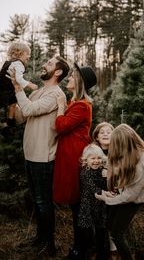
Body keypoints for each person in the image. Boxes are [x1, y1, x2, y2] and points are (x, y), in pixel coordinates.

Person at [8, 55, 70, 257]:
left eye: (50, 64)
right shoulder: (40, 92)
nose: (44, 64)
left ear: (58, 72)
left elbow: (28, 109)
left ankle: (49, 245)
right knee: (37, 200)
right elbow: (21, 117)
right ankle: (40, 238)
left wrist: (19, 89)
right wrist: (11, 103)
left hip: (44, 157)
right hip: (31, 154)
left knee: (44, 202)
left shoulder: (55, 95)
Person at [53, 63, 97, 259]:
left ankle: (80, 248)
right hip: (69, 156)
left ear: (80, 82)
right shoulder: (75, 103)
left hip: (75, 158)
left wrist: (60, 109)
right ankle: (85, 243)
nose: (69, 78)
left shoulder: (81, 105)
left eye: (72, 76)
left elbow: (61, 126)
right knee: (76, 206)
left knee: (78, 206)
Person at [95, 123, 144, 260]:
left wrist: (107, 199)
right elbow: (125, 172)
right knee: (110, 224)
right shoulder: (130, 152)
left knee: (117, 234)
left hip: (133, 201)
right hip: (126, 194)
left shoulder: (143, 162)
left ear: (126, 142)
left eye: (117, 144)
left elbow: (129, 196)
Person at [0, 41, 38, 135]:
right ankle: (5, 126)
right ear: (20, 53)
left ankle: (10, 121)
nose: (29, 56)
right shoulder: (19, 64)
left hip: (4, 88)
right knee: (4, 106)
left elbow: (15, 78)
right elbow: (18, 78)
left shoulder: (11, 63)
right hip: (4, 89)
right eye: (27, 54)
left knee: (13, 103)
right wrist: (31, 85)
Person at [92, 122, 120, 260]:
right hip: (98, 193)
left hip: (114, 192)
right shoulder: (92, 152)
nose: (105, 134)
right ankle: (99, 250)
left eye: (109, 132)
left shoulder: (118, 152)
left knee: (112, 222)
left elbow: (123, 171)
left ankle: (114, 250)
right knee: (99, 223)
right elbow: (88, 172)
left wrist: (110, 172)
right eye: (102, 132)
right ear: (96, 137)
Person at [78, 143, 108, 260]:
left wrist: (106, 177)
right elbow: (92, 187)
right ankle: (85, 253)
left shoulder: (102, 171)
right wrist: (105, 193)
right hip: (88, 206)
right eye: (93, 158)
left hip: (100, 206)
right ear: (86, 160)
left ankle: (101, 253)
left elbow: (105, 185)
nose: (96, 161)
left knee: (101, 230)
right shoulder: (85, 172)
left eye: (99, 158)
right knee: (87, 232)